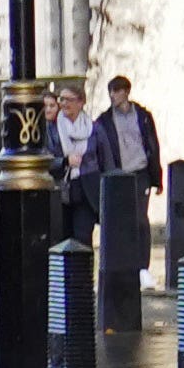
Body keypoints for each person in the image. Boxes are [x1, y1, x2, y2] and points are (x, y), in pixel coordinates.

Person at [79, 72, 163, 248]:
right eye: (110, 91)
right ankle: (127, 259)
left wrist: (157, 178)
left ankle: (142, 263)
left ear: (126, 92)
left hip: (140, 173)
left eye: (116, 91)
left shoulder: (142, 116)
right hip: (119, 175)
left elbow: (152, 145)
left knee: (140, 219)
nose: (112, 95)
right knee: (122, 220)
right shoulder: (105, 120)